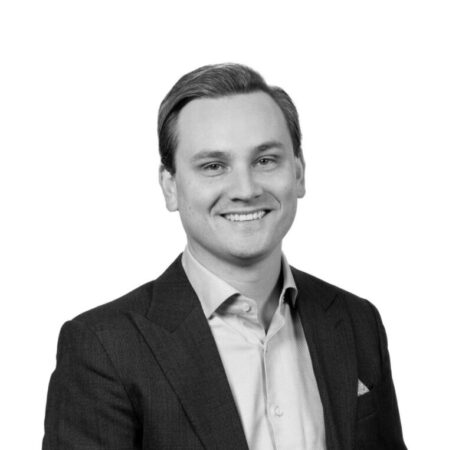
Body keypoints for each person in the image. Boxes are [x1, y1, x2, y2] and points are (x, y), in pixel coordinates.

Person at [42, 63, 407, 450]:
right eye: (214, 166)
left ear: (299, 172)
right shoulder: (104, 347)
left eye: (265, 160)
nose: (245, 189)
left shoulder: (356, 322)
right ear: (170, 186)